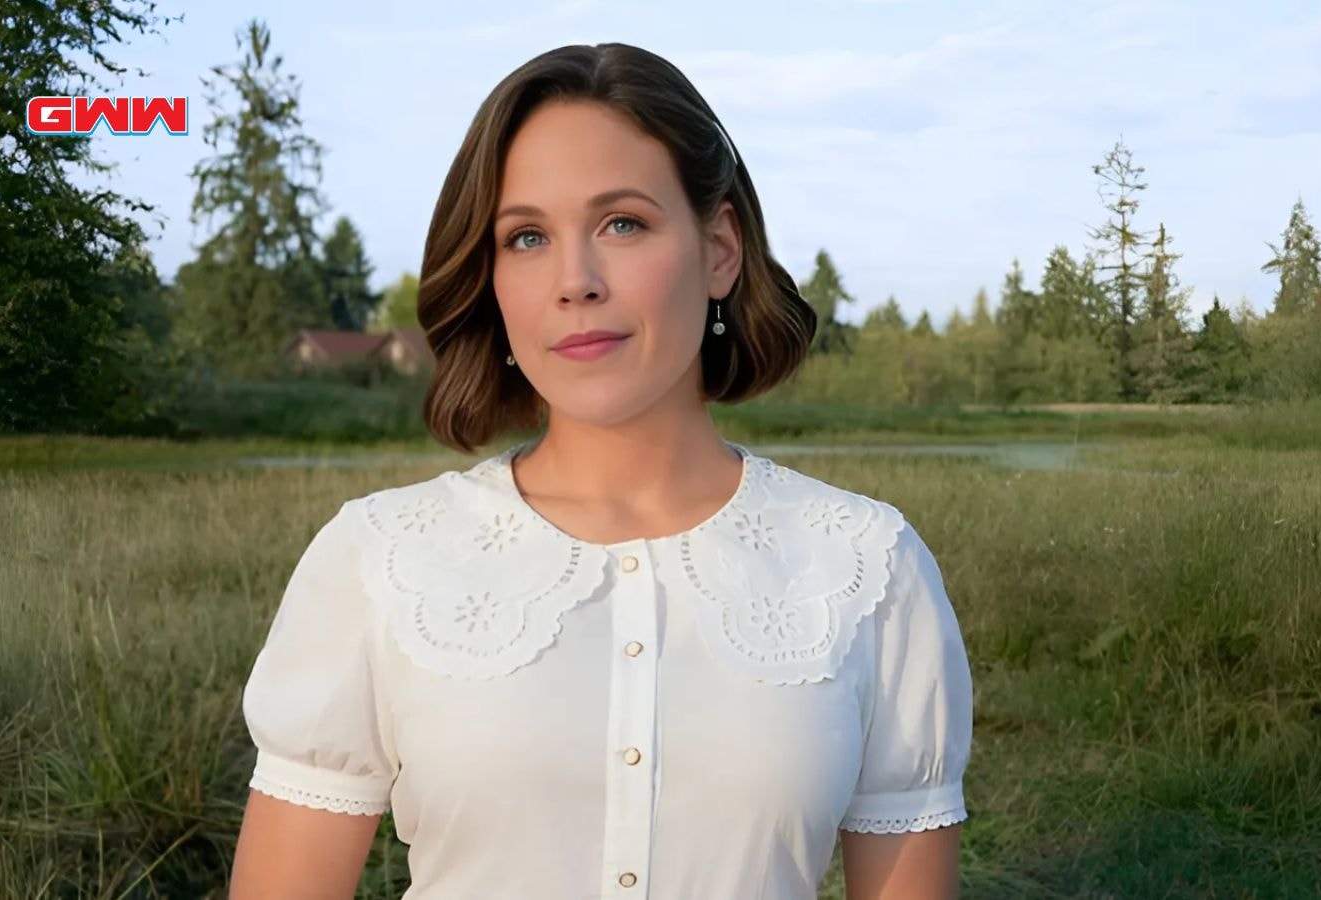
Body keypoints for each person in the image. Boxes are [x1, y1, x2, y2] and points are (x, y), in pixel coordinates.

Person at [228, 42, 972, 900]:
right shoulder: (377, 559)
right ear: (492, 275)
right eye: (528, 237)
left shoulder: (870, 567)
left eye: (623, 223)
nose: (574, 281)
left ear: (720, 247)